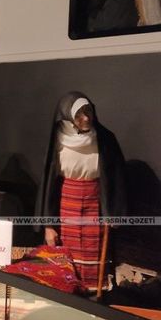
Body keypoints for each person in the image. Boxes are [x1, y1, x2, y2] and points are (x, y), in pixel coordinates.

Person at [37, 91, 127, 292]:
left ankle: (93, 299)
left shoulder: (105, 139)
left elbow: (117, 178)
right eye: (79, 114)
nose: (85, 118)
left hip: (95, 204)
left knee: (93, 255)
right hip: (66, 203)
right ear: (68, 117)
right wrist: (48, 225)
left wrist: (113, 213)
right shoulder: (58, 140)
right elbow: (49, 186)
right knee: (65, 260)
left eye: (88, 112)